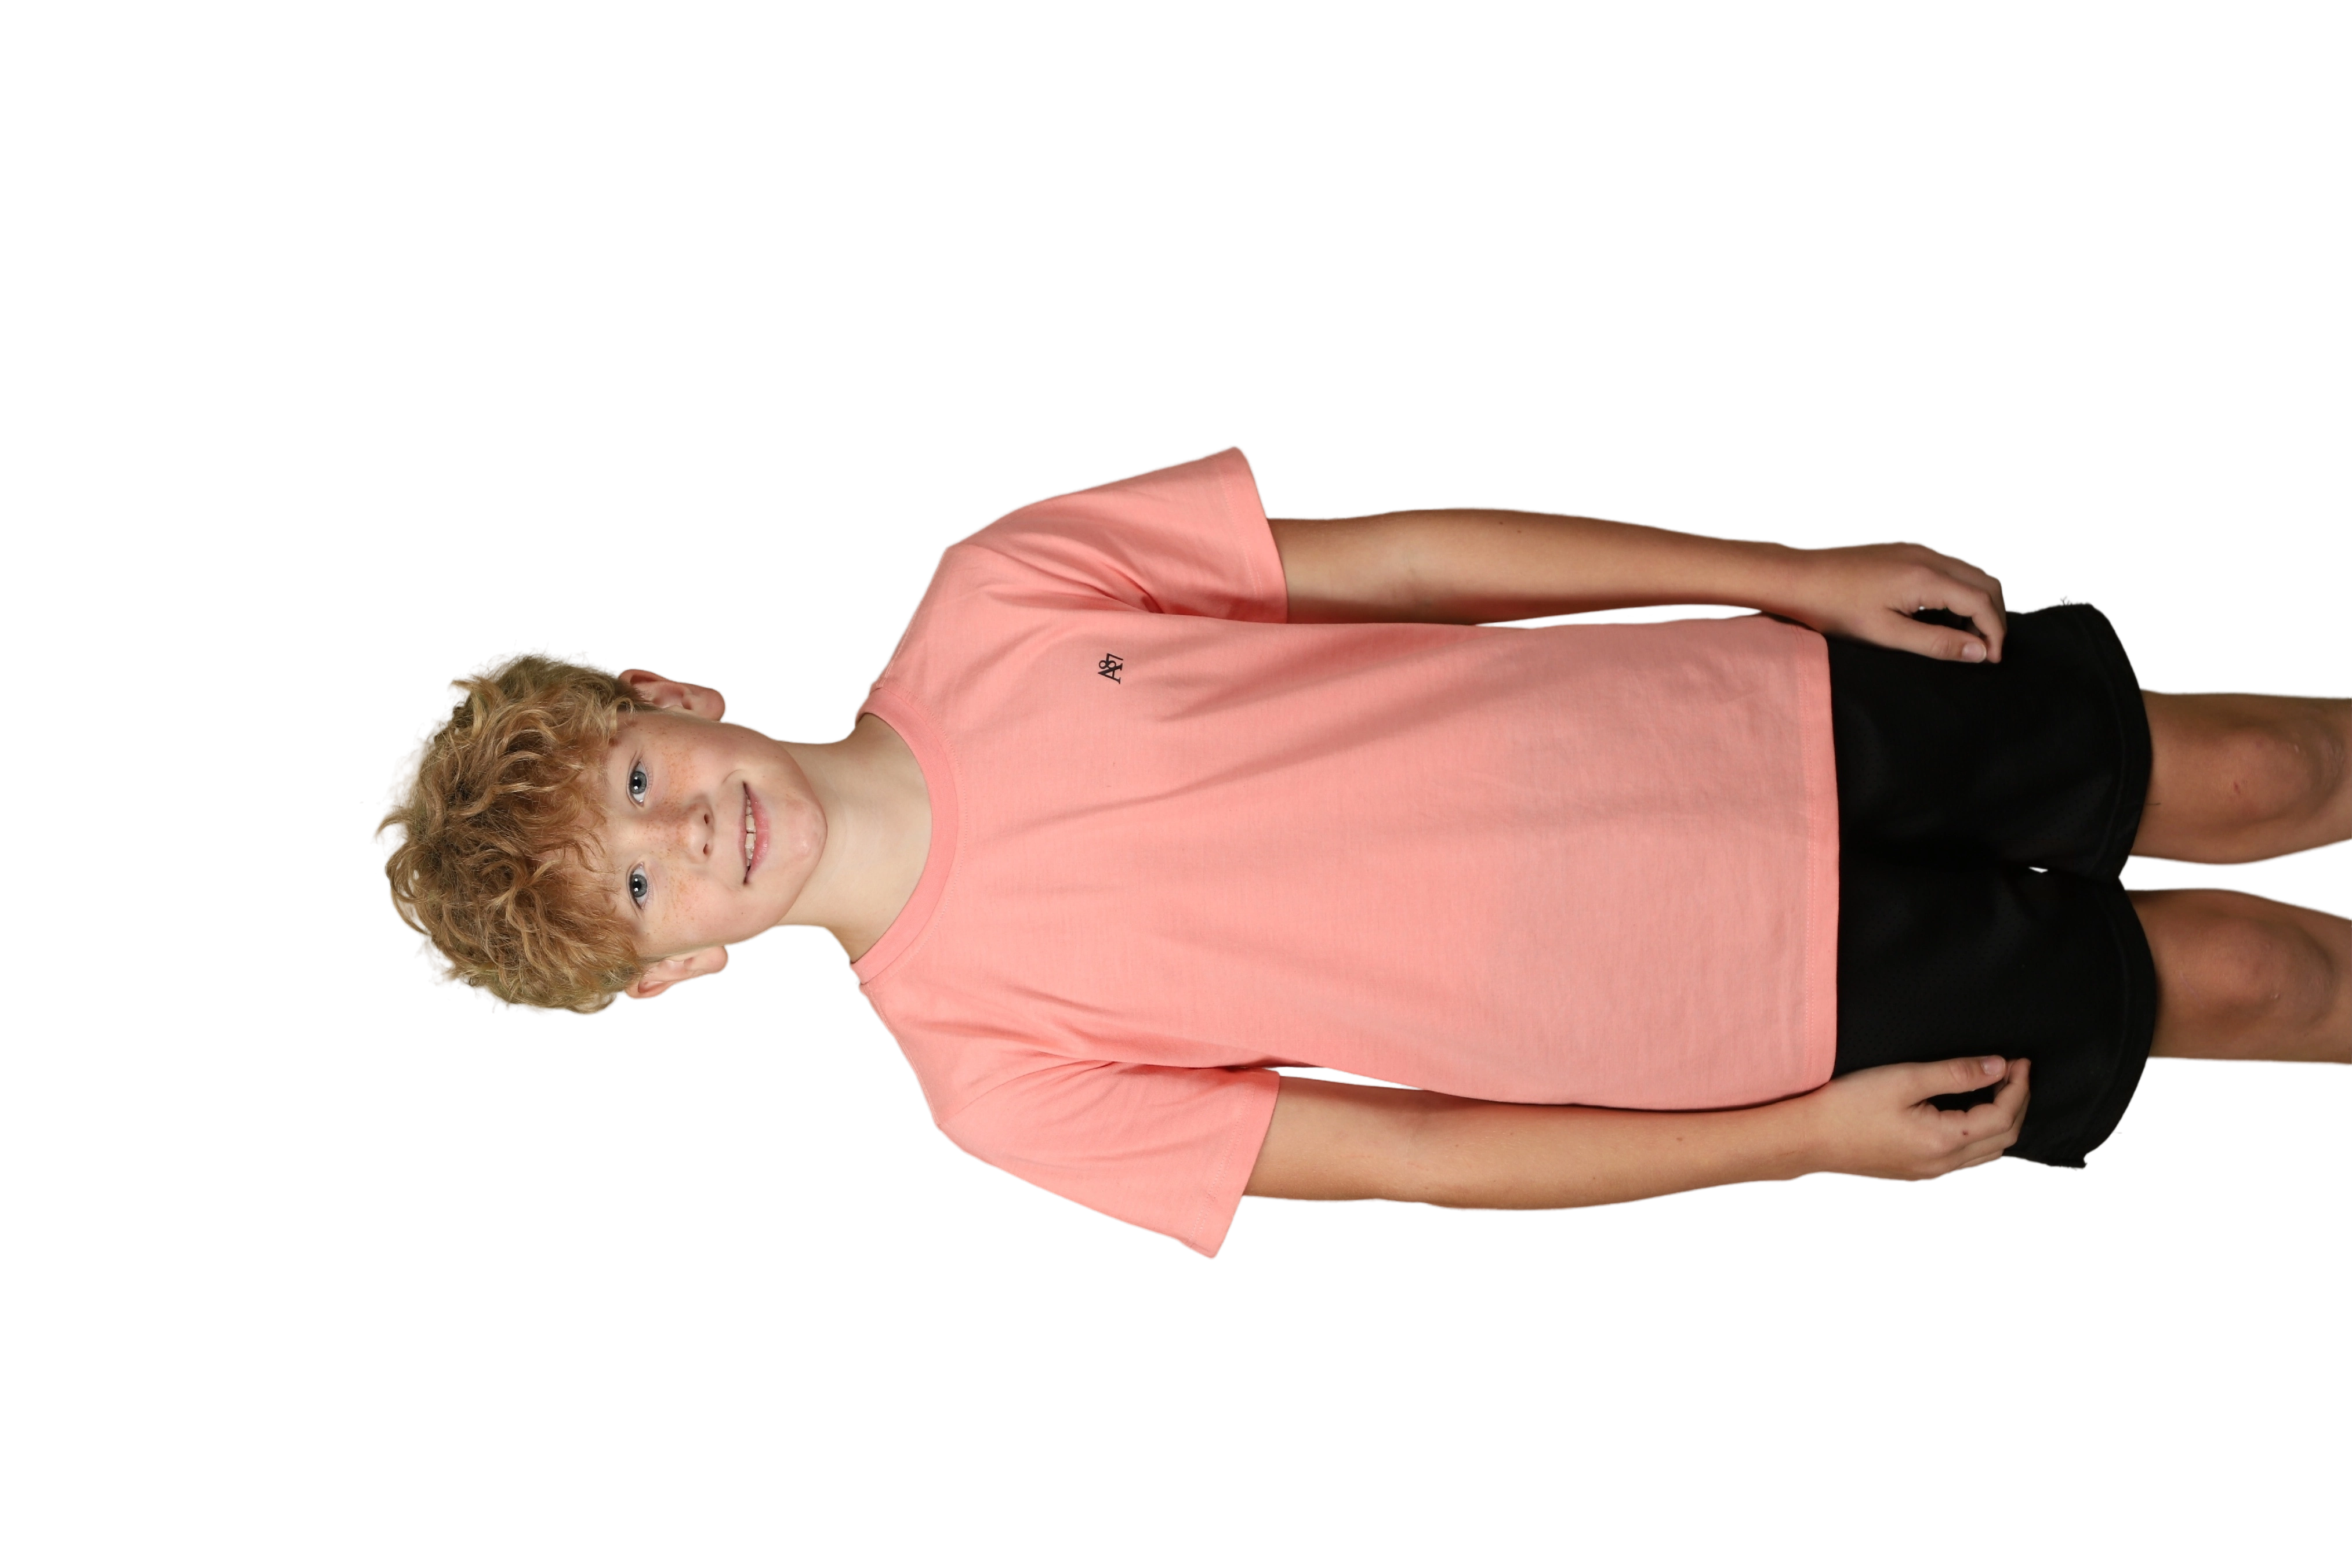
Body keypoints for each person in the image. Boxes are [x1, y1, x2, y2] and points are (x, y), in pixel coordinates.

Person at [370, 444, 2352, 1260]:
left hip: (1752, 714)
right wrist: (1805, 1139)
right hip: (1760, 1011)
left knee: (2261, 769)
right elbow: (1412, 1153)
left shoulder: (999, 590)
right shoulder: (994, 1084)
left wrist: (1794, 575)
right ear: (674, 970)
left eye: (636, 780)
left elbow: (1404, 563)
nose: (687, 834)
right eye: (642, 886)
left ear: (673, 699)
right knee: (2253, 981)